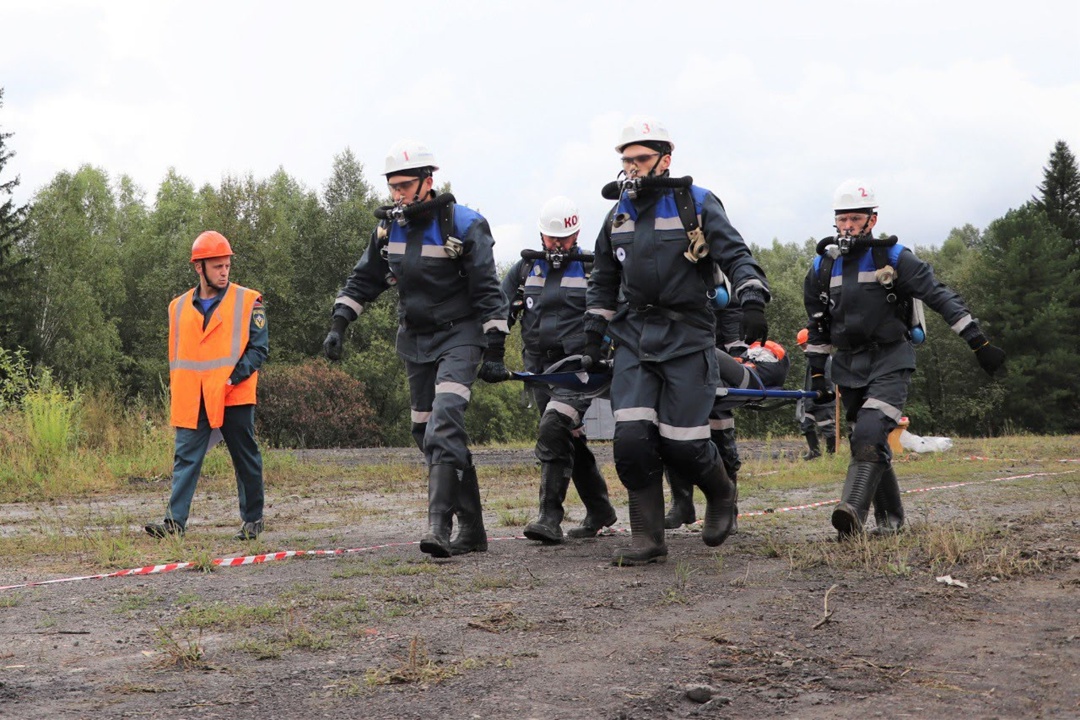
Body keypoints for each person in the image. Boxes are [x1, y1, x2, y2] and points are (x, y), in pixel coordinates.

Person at [584, 115, 771, 565]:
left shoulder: (698, 203)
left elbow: (736, 254)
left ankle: (721, 492)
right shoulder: (617, 214)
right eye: (626, 161)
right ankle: (648, 540)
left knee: (684, 444)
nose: (632, 168)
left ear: (665, 160)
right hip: (634, 337)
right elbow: (603, 279)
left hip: (688, 336)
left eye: (641, 159)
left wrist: (752, 298)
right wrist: (593, 330)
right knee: (630, 440)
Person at [323, 140, 509, 558]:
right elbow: (364, 280)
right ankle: (474, 529)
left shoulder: (465, 224)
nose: (398, 195)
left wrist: (494, 346)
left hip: (461, 336)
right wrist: (340, 323)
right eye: (392, 187)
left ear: (429, 181)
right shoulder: (388, 229)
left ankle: (439, 528)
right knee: (425, 431)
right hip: (416, 340)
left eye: (405, 186)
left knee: (444, 421)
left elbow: (487, 288)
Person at [803, 179, 1006, 538]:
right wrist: (818, 375)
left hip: (891, 359)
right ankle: (891, 522)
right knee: (865, 439)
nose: (847, 227)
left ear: (872, 220)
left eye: (854, 219)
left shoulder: (895, 257)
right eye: (842, 220)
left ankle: (850, 512)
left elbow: (940, 295)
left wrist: (978, 342)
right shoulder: (823, 266)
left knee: (869, 430)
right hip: (848, 365)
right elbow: (818, 325)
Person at [502, 196, 619, 544]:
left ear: (577, 233)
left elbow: (618, 309)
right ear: (541, 235)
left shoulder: (593, 267)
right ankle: (600, 509)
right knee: (566, 436)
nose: (557, 245)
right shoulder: (524, 270)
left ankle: (549, 517)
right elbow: (497, 307)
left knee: (554, 427)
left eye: (564, 239)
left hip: (579, 370)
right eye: (551, 239)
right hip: (539, 370)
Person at [145, 231, 268, 540]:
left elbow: (259, 350)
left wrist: (232, 378)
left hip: (234, 393)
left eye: (226, 266)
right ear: (198, 268)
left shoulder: (249, 300)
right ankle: (174, 525)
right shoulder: (177, 307)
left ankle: (252, 521)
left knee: (245, 458)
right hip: (192, 396)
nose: (224, 272)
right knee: (185, 458)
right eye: (217, 266)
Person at [795, 327, 836, 460]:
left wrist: (825, 394)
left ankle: (831, 456)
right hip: (809, 400)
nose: (803, 349)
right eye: (801, 346)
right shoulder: (811, 360)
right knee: (806, 424)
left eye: (804, 345)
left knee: (827, 427)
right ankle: (815, 452)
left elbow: (829, 379)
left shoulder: (826, 359)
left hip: (824, 400)